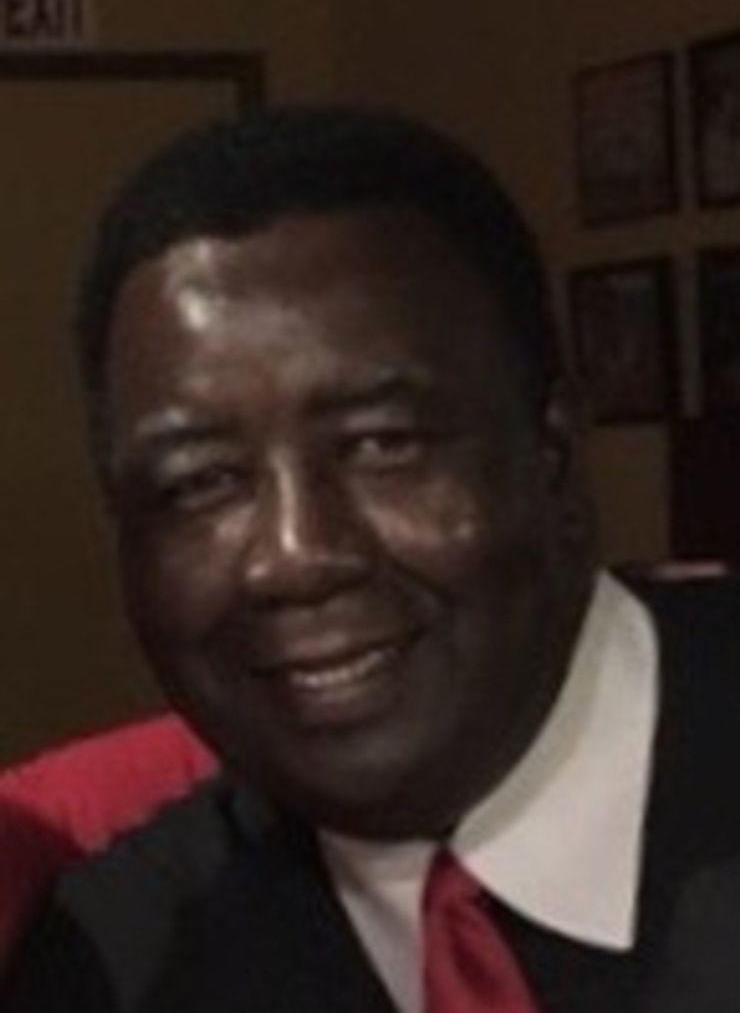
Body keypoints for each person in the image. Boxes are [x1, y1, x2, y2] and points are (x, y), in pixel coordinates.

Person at [4, 106, 740, 1012]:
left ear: (551, 454)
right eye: (201, 483)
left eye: (382, 444)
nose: (294, 557)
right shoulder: (120, 968)